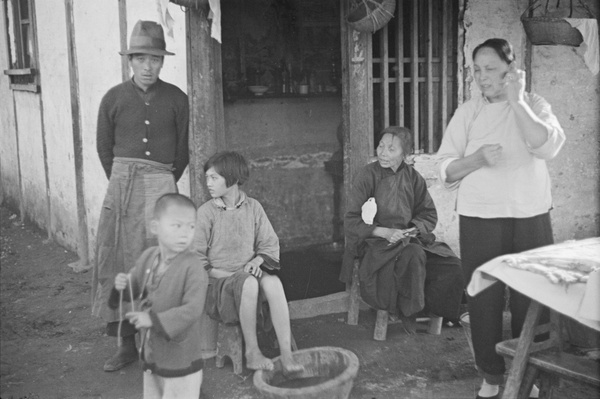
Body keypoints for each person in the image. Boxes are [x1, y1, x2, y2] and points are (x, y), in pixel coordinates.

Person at [437, 38, 565, 399]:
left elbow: (548, 146)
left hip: (530, 214)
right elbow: (445, 169)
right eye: (477, 70)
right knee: (484, 298)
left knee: (532, 298)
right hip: (480, 217)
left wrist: (518, 100)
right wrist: (476, 159)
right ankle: (491, 376)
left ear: (511, 70)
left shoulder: (534, 104)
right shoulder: (469, 112)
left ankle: (531, 375)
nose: (481, 77)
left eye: (490, 69)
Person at [91, 20, 190, 372]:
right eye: (141, 59)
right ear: (130, 61)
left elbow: (182, 153)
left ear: (163, 62)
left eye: (155, 59)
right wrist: (124, 182)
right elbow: (105, 149)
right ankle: (126, 344)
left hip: (162, 183)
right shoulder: (113, 99)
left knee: (162, 262)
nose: (148, 66)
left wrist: (161, 182)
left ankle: (158, 342)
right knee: (121, 262)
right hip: (123, 185)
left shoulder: (178, 99)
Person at [340, 126, 464, 333]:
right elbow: (351, 221)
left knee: (453, 265)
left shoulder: (413, 178)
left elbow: (428, 214)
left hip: (407, 240)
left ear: (404, 154)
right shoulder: (367, 176)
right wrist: (383, 232)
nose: (383, 152)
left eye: (391, 149)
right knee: (413, 255)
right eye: (381, 146)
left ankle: (433, 310)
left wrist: (413, 230)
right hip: (374, 243)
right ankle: (409, 314)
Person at [192, 151, 302, 373]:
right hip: (220, 286)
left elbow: (269, 243)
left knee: (273, 283)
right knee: (249, 283)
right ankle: (252, 351)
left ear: (231, 178)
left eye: (214, 178)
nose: (208, 184)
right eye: (207, 178)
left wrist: (258, 260)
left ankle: (288, 355)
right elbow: (196, 258)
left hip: (247, 278)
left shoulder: (253, 207)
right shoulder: (206, 213)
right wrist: (231, 275)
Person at [109, 193, 208, 398]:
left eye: (190, 226)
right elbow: (134, 285)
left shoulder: (194, 267)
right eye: (177, 226)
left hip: (181, 357)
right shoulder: (149, 256)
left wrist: (152, 320)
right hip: (152, 353)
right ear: (155, 227)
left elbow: (192, 310)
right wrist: (122, 286)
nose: (185, 234)